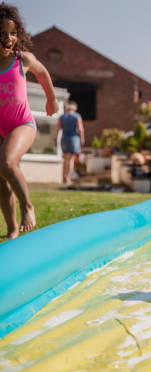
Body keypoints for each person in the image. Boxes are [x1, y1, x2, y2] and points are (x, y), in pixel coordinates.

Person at [0, 3, 59, 239]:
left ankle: (28, 207)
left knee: (6, 161)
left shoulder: (21, 59)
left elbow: (42, 72)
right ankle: (12, 230)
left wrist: (52, 100)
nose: (8, 38)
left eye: (12, 33)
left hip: (22, 124)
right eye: (2, 34)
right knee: (2, 183)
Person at [55, 100, 84, 185]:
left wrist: (55, 139)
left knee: (66, 159)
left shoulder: (62, 117)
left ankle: (64, 177)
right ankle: (68, 178)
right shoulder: (77, 116)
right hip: (73, 139)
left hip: (64, 139)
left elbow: (57, 129)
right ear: (74, 108)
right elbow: (80, 129)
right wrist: (82, 139)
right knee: (71, 159)